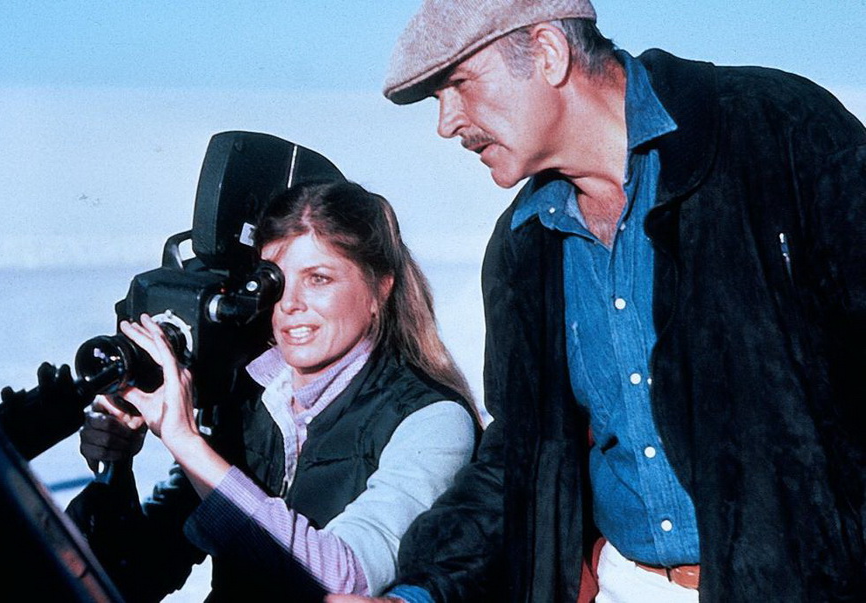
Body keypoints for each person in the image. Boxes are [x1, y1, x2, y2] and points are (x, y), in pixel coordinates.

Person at [328, 0, 866, 602]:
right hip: (630, 586)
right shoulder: (523, 247)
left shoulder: (776, 128)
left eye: (458, 84)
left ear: (548, 53)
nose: (447, 123)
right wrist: (420, 592)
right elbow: (520, 458)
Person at [65, 180, 480, 602]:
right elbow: (136, 576)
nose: (290, 303)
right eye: (274, 281)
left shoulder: (431, 420)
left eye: (318, 278)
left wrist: (187, 443)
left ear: (380, 289)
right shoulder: (251, 406)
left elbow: (344, 580)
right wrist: (115, 469)